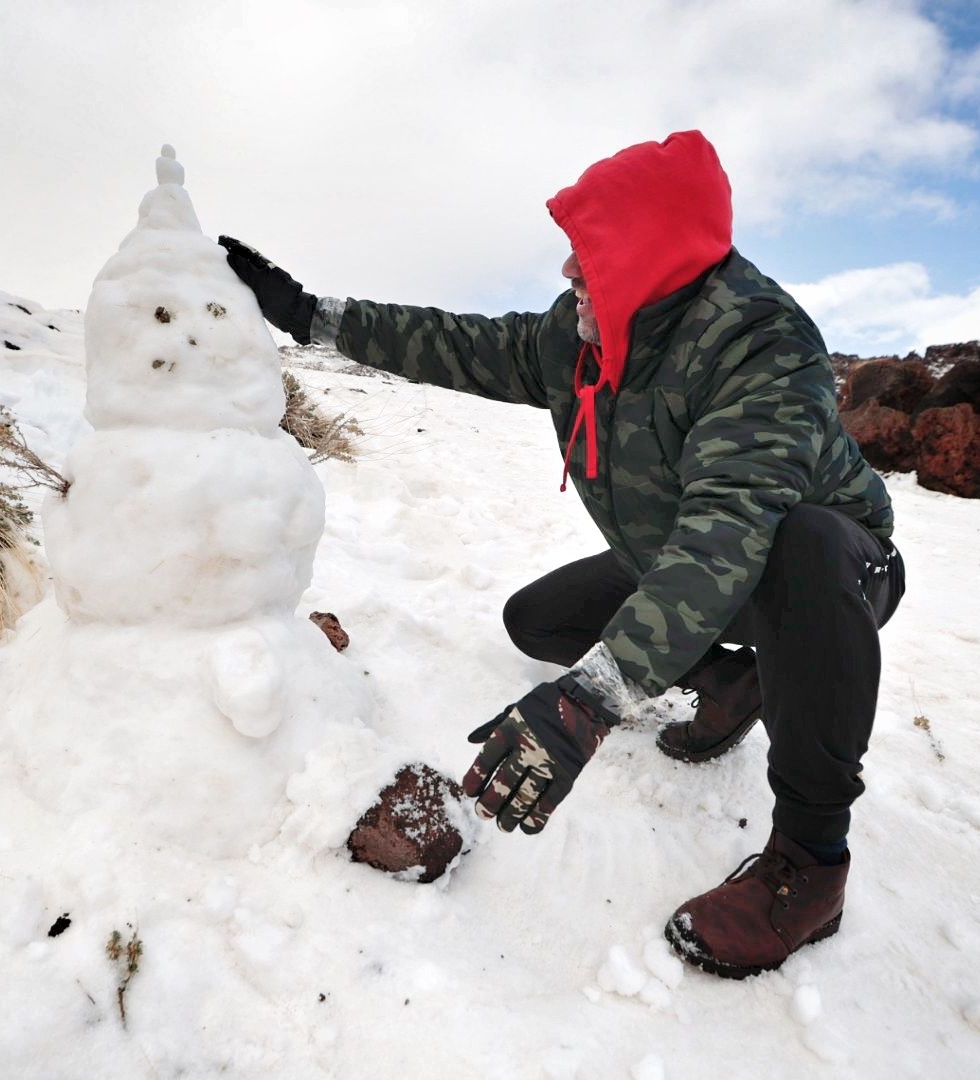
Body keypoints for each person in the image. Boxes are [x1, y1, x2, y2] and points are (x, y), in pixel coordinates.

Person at [219, 129, 904, 980]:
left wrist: (596, 698)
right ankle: (736, 679)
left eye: (591, 255)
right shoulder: (582, 332)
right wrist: (308, 315)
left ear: (652, 257)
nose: (569, 274)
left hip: (824, 572)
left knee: (801, 549)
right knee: (537, 622)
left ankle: (811, 861)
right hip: (681, 558)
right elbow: (459, 343)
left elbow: (729, 532)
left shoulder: (762, 347)